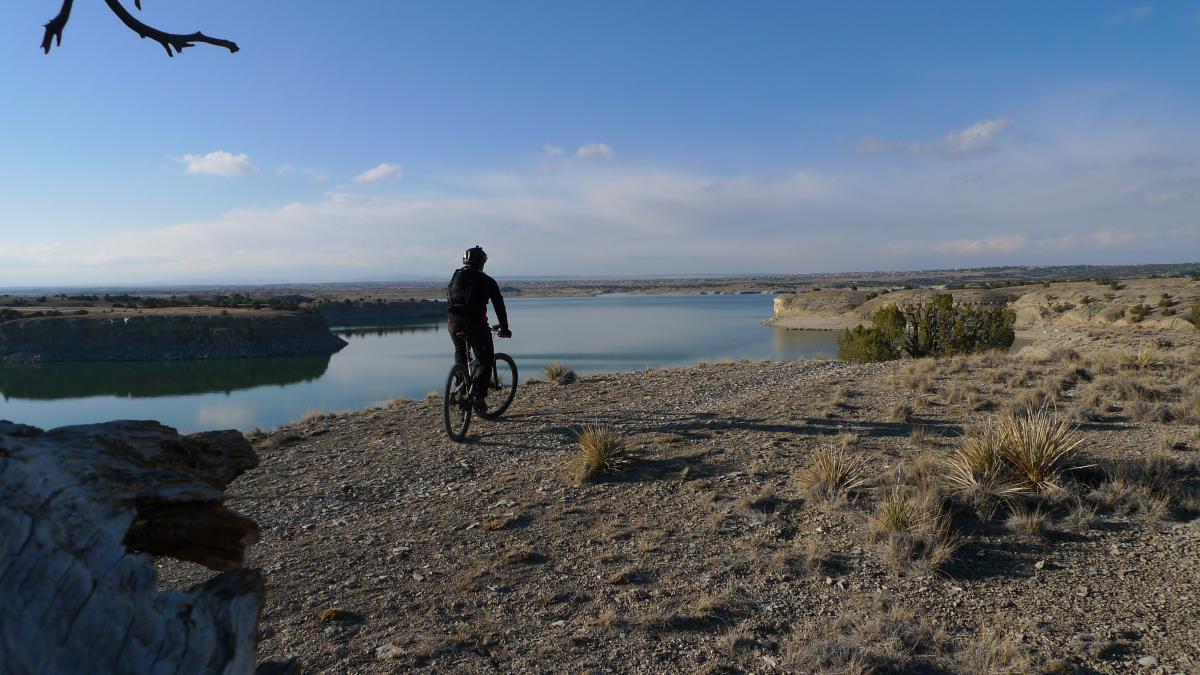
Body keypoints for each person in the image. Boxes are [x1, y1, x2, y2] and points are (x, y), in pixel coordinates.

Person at [446, 245, 511, 413]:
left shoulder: (457, 275)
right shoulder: (487, 281)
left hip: (453, 322)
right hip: (475, 324)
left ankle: (461, 388)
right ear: (483, 262)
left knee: (460, 351)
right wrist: (504, 327)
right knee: (485, 359)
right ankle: (478, 396)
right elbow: (499, 306)